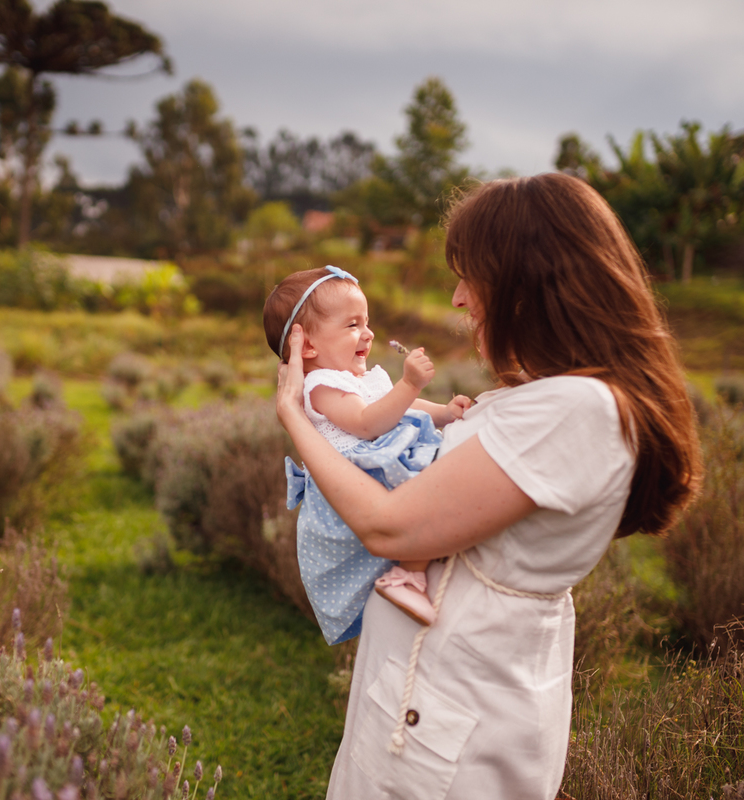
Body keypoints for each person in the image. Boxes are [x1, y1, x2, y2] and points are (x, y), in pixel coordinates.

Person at [275, 174, 702, 800]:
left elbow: (388, 526)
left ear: (525, 285)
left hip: (448, 728)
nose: (456, 298)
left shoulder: (574, 409)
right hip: (428, 706)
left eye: (470, 276)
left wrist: (294, 414)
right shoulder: (554, 395)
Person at [263, 265, 473, 643]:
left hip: (376, 464)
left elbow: (398, 408)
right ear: (307, 346)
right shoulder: (321, 385)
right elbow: (365, 423)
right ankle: (407, 574)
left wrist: (442, 411)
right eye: (352, 325)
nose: (368, 333)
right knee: (425, 489)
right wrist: (408, 384)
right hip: (359, 476)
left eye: (367, 322)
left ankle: (421, 566)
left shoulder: (356, 378)